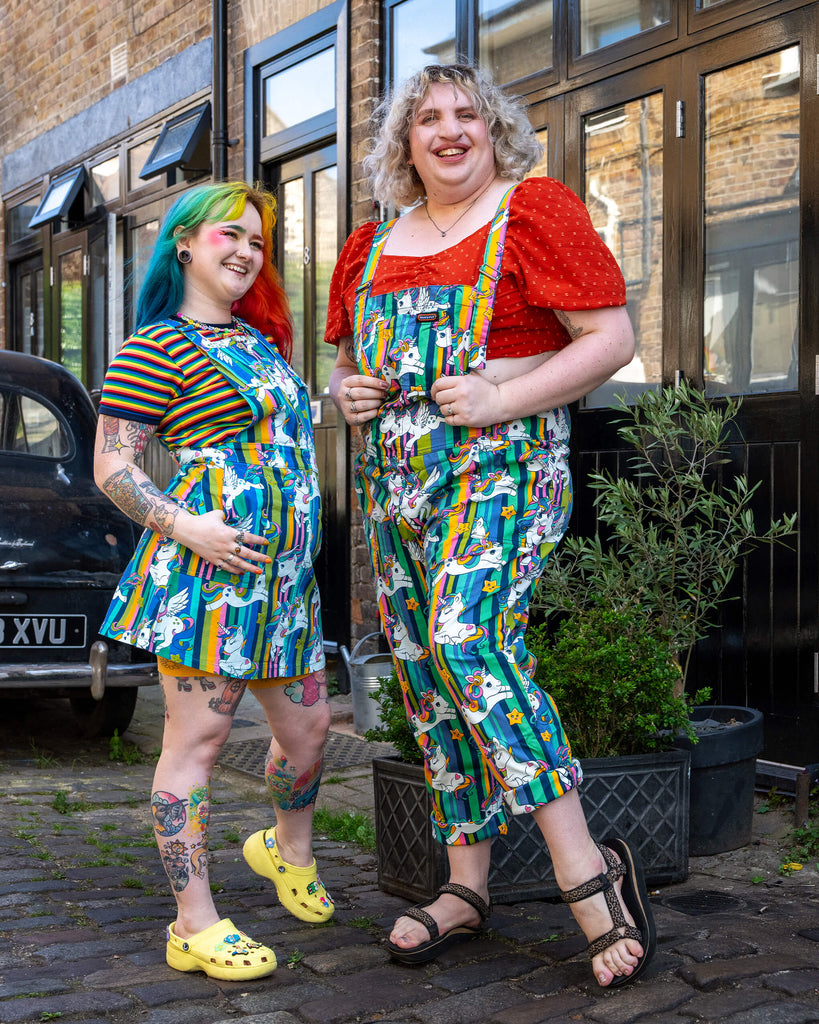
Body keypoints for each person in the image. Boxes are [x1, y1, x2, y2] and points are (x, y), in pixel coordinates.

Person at [326, 64, 656, 988]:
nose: (449, 130)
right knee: (424, 671)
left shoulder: (532, 210)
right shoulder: (369, 243)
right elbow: (349, 366)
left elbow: (611, 339)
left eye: (466, 114)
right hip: (397, 486)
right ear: (405, 142)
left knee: (467, 642)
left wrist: (500, 395)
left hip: (504, 469)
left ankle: (588, 870)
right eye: (428, 118)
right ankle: (464, 886)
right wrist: (346, 393)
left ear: (494, 128)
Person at [94, 181, 333, 982]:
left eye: (257, 241)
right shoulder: (155, 346)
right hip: (208, 581)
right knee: (196, 746)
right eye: (229, 234)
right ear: (185, 243)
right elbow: (111, 465)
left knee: (309, 734)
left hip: (286, 585)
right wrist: (186, 526)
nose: (245, 251)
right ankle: (191, 924)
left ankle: (285, 849)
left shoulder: (259, 341)